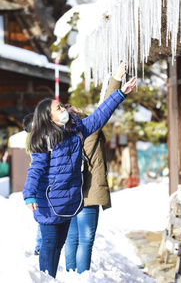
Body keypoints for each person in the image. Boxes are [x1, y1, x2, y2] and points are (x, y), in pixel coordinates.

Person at [23, 75, 137, 278]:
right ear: (49, 118)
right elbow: (36, 169)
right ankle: (45, 279)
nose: (64, 110)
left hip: (69, 202)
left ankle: (52, 279)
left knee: (58, 245)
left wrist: (120, 93)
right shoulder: (44, 139)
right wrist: (29, 194)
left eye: (62, 106)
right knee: (49, 246)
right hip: (49, 202)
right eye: (59, 108)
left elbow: (99, 116)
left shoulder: (76, 130)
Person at [64, 63, 126, 274]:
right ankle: (81, 277)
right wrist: (116, 79)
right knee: (86, 240)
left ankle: (71, 276)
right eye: (76, 109)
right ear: (75, 115)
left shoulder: (64, 135)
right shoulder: (88, 127)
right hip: (89, 192)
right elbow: (106, 105)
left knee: (72, 238)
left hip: (71, 194)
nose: (81, 110)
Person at [23, 113, 42, 255]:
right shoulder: (35, 137)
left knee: (44, 214)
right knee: (45, 215)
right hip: (41, 178)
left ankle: (40, 245)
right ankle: (40, 245)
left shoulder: (30, 137)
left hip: (39, 178)